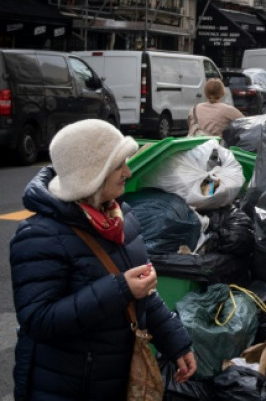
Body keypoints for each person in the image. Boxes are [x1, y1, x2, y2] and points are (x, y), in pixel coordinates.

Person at [10, 119, 197, 400]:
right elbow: (38, 320)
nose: (128, 172)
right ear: (92, 174)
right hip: (65, 387)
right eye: (119, 165)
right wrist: (119, 289)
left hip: (114, 378)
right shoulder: (39, 235)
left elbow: (142, 289)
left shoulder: (121, 217)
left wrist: (176, 342)